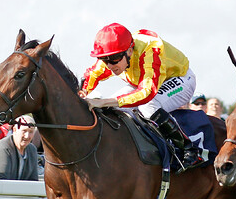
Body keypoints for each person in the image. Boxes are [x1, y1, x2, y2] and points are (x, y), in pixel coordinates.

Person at [79, 23, 201, 173]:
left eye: (114, 59)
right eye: (105, 60)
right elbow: (92, 76)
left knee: (148, 107)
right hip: (142, 82)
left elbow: (146, 93)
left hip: (181, 79)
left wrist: (102, 102)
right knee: (112, 107)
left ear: (129, 50)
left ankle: (189, 149)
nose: (109, 65)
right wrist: (81, 94)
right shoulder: (113, 56)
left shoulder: (150, 49)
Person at [0, 115, 39, 181]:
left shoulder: (32, 150)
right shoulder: (3, 148)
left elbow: (33, 180)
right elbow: (2, 181)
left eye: (31, 132)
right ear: (14, 130)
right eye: (24, 131)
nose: (27, 136)